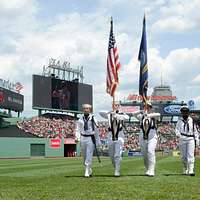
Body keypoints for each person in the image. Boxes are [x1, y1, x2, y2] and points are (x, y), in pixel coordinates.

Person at [99, 102, 129, 177]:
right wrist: (111, 113)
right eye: (115, 105)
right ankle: (116, 167)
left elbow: (127, 117)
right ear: (113, 106)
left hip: (119, 135)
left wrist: (117, 115)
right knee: (112, 156)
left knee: (117, 155)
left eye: (118, 105)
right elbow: (100, 113)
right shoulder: (109, 114)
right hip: (110, 135)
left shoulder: (122, 114)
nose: (117, 106)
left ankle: (117, 170)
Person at [133, 101, 160, 177]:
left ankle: (152, 170)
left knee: (150, 151)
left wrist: (148, 114)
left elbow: (159, 114)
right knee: (145, 155)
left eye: (149, 107)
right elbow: (133, 114)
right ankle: (148, 169)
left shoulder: (154, 116)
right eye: (146, 107)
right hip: (142, 136)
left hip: (152, 136)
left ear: (151, 108)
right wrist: (141, 111)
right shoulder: (141, 117)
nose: (147, 108)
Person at [75, 104, 101, 177]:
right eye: (84, 108)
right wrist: (77, 137)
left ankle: (86, 171)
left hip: (90, 138)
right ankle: (89, 168)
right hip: (83, 138)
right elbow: (78, 130)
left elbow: (96, 130)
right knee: (84, 156)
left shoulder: (93, 118)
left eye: (87, 108)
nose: (86, 110)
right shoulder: (80, 119)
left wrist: (98, 141)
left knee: (89, 155)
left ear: (90, 110)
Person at [175, 105, 199, 176]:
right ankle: (185, 168)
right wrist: (178, 134)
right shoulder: (179, 121)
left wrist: (197, 140)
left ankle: (191, 170)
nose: (184, 113)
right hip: (182, 138)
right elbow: (176, 129)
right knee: (183, 156)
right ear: (181, 113)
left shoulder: (192, 120)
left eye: (186, 111)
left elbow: (195, 131)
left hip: (191, 139)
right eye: (183, 111)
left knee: (190, 155)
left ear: (188, 112)